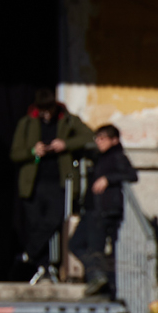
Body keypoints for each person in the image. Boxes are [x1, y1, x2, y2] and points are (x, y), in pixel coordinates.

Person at [8, 90, 93, 282]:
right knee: (35, 224)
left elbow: (90, 137)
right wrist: (33, 151)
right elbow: (15, 154)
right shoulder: (27, 123)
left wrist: (66, 144)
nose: (46, 115)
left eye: (49, 111)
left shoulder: (68, 120)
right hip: (33, 184)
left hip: (59, 182)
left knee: (55, 219)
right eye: (43, 111)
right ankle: (44, 266)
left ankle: (29, 253)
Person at [68, 123, 140, 297]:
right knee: (75, 244)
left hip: (103, 210)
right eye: (97, 138)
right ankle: (99, 276)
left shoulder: (116, 156)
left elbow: (131, 175)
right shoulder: (100, 157)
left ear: (114, 140)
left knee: (95, 248)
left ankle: (100, 280)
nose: (98, 142)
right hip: (92, 209)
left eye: (102, 138)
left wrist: (108, 179)